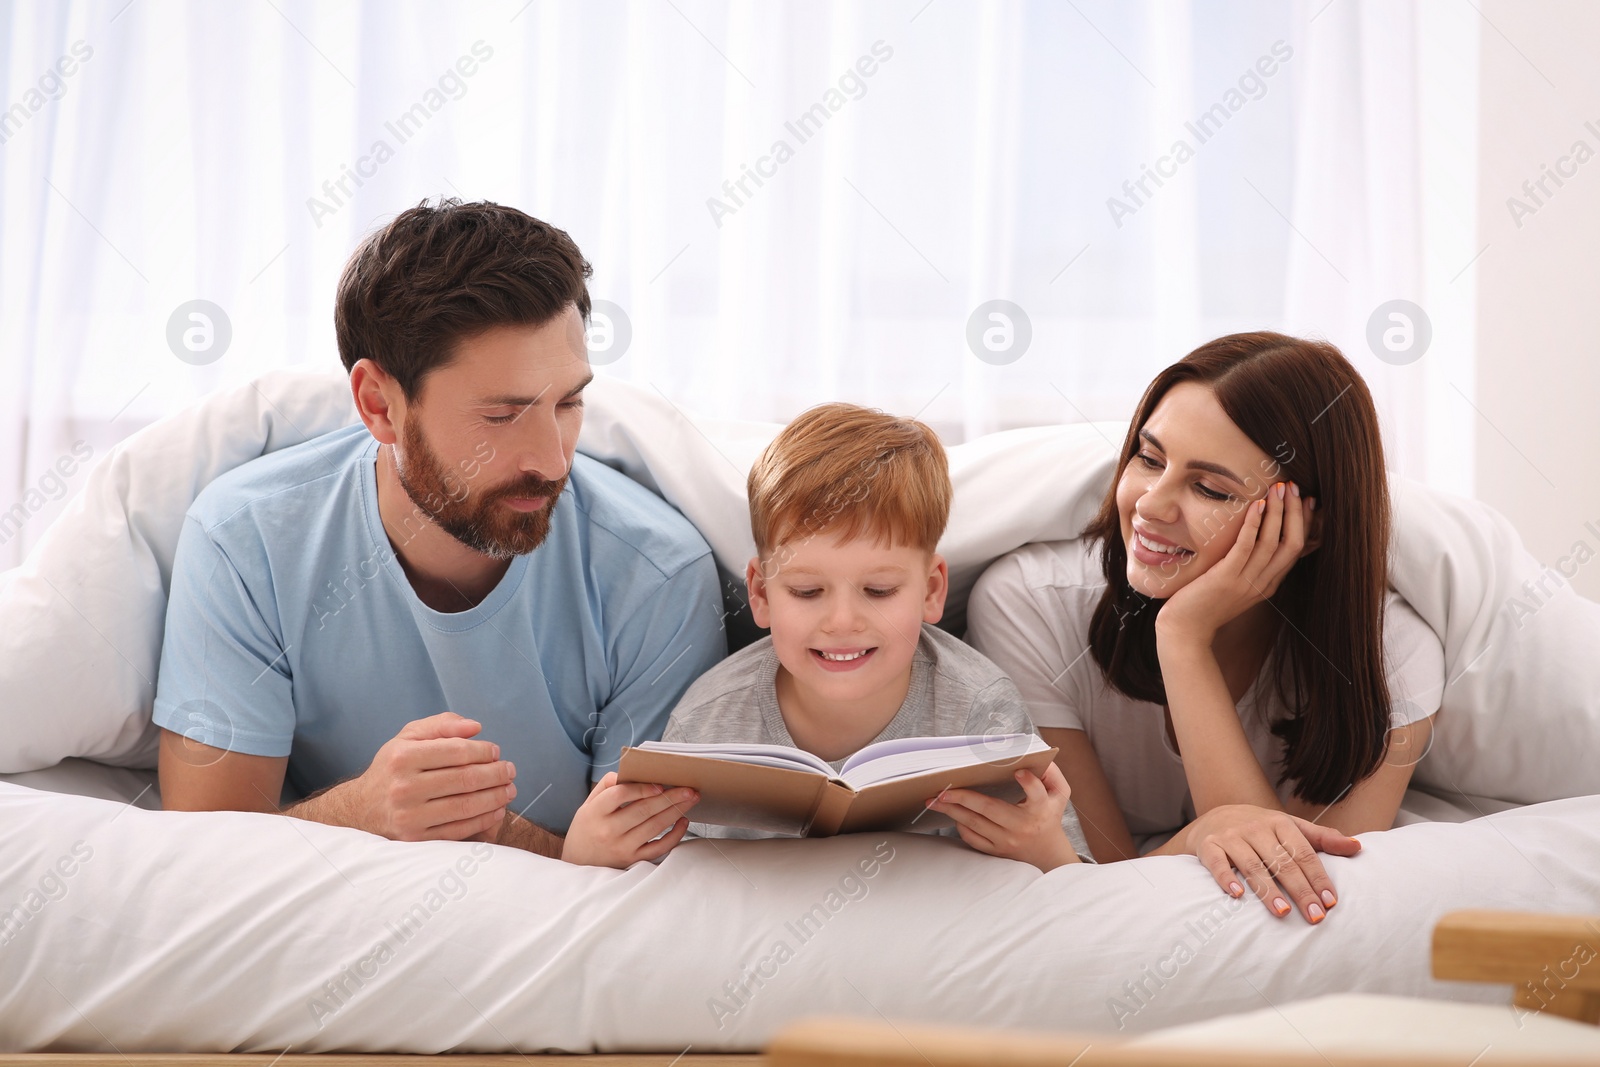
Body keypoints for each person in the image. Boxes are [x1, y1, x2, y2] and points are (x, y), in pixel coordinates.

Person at [153, 199, 725, 864]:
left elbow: (649, 872)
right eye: (502, 415)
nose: (552, 459)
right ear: (379, 405)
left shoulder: (658, 576)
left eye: (568, 403)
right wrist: (361, 811)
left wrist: (496, 830)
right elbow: (201, 851)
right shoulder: (245, 541)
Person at [966, 332, 1443, 922]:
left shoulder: (1392, 652)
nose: (1150, 506)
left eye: (1209, 488)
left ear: (1309, 529)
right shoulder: (1029, 604)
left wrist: (1184, 639)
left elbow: (1296, 904)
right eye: (1149, 458)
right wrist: (1201, 835)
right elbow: (1103, 882)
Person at [574, 403, 1091, 871]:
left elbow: (1068, 886)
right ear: (760, 594)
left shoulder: (981, 709)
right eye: (806, 591)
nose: (843, 621)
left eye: (879, 589)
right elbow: (656, 892)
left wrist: (1047, 852)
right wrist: (587, 857)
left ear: (932, 591)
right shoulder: (707, 721)